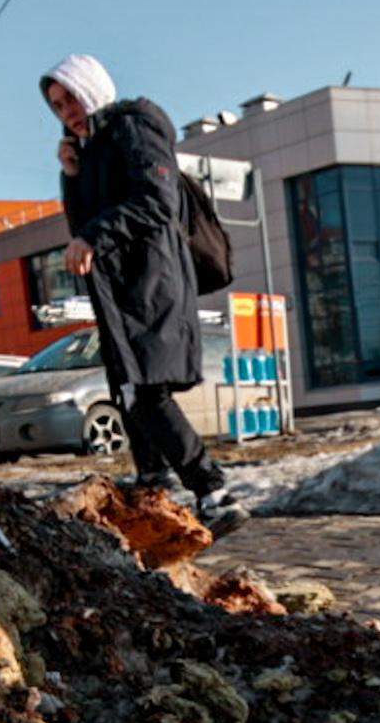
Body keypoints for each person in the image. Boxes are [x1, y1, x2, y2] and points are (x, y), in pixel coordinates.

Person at [39, 54, 244, 529]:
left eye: (71, 95)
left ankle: (215, 492)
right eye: (56, 104)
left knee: (148, 390)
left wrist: (95, 235)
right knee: (129, 388)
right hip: (118, 291)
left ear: (91, 86)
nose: (66, 109)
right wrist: (72, 176)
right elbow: (80, 225)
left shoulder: (134, 128)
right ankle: (153, 481)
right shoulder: (90, 150)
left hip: (152, 281)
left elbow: (157, 201)